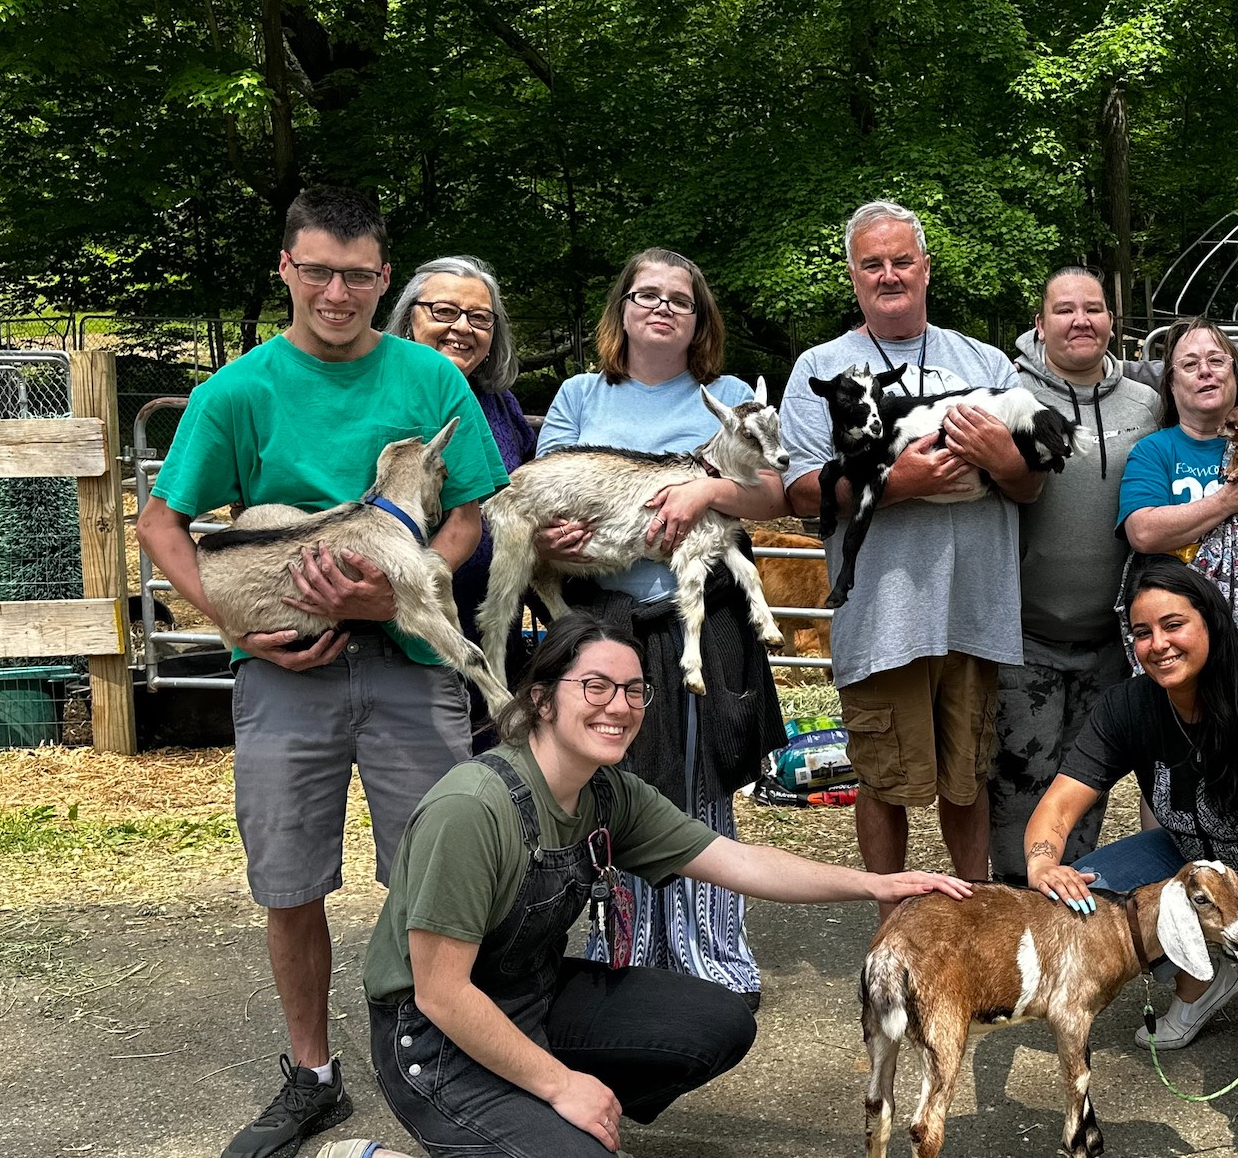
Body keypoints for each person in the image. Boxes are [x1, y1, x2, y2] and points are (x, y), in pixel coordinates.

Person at [135, 187, 510, 1158]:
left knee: (436, 875)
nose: (336, 290)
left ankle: (438, 1049)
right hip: (283, 671)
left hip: (412, 659)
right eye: (318, 270)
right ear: (288, 271)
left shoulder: (430, 380)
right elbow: (161, 521)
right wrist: (237, 621)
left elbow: (471, 511)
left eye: (356, 273)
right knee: (289, 879)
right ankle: (312, 1073)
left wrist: (402, 590)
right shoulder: (240, 391)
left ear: (383, 278)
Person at [312, 613, 969, 1158]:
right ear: (541, 698)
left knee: (716, 1021)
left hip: (529, 1002)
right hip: (433, 1042)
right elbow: (442, 995)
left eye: (633, 690)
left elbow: (736, 862)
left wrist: (878, 882)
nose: (620, 706)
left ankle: (541, 1130)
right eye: (595, 686)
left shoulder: (607, 793)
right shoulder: (473, 810)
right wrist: (561, 1085)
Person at [529, 248, 788, 1007]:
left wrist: (703, 490)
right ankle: (629, 952)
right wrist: (550, 542)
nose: (663, 307)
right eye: (647, 295)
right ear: (623, 309)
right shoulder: (580, 395)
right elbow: (547, 492)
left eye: (681, 298)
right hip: (604, 619)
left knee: (703, 786)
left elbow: (771, 493)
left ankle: (714, 957)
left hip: (697, 619)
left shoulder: (731, 394)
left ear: (699, 319)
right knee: (611, 785)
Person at [1024, 561, 1238, 1112]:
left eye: (1173, 625)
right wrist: (1043, 865)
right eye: (1143, 633)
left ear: (1211, 623)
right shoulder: (1130, 705)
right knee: (1090, 900)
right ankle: (1203, 984)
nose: (1157, 644)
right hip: (1196, 860)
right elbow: (1058, 807)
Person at [780, 199, 1041, 919]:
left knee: (968, 778)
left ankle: (977, 917)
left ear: (926, 269)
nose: (889, 275)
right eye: (873, 264)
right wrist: (901, 483)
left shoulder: (984, 361)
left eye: (902, 260)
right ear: (853, 276)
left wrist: (1005, 460)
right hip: (882, 614)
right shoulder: (822, 367)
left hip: (974, 608)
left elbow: (1030, 480)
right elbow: (803, 491)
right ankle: (890, 922)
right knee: (885, 779)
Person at [989, 265, 1160, 882]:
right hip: (1022, 636)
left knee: (1087, 783)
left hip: (1113, 639)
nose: (1080, 320)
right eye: (1064, 309)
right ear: (1040, 322)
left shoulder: (1146, 403)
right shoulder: (1008, 394)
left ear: (1112, 321)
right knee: (1016, 784)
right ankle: (1014, 907)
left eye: (1094, 308)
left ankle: (1070, 918)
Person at [384, 255, 540, 750]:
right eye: (445, 311)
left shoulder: (500, 404)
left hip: (497, 627)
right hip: (414, 635)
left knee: (503, 776)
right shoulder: (381, 398)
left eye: (480, 318)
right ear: (410, 317)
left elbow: (528, 495)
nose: (463, 328)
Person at [1117, 317, 1238, 664]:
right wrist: (1229, 500)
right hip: (1170, 656)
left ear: (1234, 373)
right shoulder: (1154, 450)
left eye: (1216, 360)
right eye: (1189, 364)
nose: (1205, 371)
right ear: (1171, 383)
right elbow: (1143, 532)